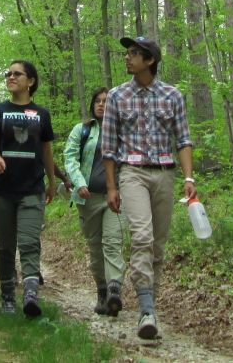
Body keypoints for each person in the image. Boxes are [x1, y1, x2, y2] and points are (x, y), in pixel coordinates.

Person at [102, 36, 194, 340]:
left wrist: (188, 178)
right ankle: (145, 309)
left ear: (150, 60)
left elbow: (183, 139)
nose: (127, 58)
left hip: (165, 173)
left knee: (157, 244)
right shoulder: (116, 96)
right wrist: (112, 187)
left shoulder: (172, 95)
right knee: (141, 235)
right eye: (127, 53)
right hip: (132, 173)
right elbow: (109, 146)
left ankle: (150, 302)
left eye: (134, 54)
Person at [0, 60, 56, 318]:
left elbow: (46, 150)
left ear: (31, 81)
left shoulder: (42, 114)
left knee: (29, 242)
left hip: (32, 189)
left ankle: (30, 295)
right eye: (8, 73)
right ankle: (7, 296)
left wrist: (52, 183)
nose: (11, 77)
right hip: (2, 190)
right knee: (5, 245)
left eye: (17, 74)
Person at [64, 86, 126, 317]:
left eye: (106, 101)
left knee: (113, 242)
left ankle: (114, 290)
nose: (101, 105)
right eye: (97, 101)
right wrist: (79, 182)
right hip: (87, 198)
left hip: (116, 196)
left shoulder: (122, 131)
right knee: (96, 247)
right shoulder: (82, 130)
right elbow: (70, 158)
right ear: (92, 105)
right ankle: (102, 289)